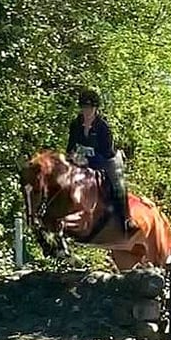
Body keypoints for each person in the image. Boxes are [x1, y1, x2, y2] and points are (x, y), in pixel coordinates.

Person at [66, 88, 139, 236]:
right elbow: (70, 146)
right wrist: (72, 156)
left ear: (95, 109)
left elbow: (106, 152)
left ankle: (126, 219)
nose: (86, 112)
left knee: (117, 184)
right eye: (84, 108)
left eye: (89, 108)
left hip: (105, 160)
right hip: (81, 161)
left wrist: (88, 157)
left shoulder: (103, 127)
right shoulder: (75, 124)